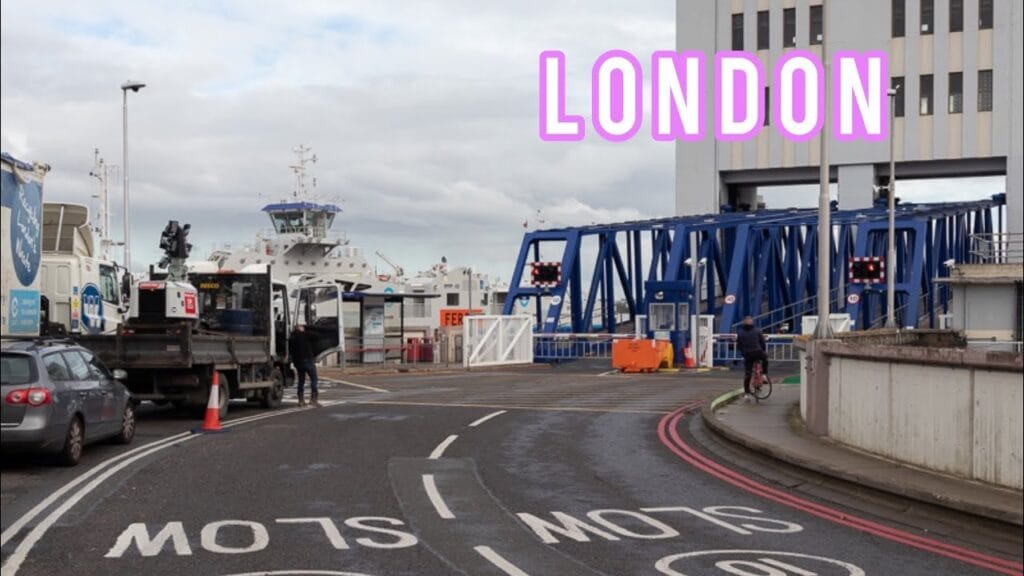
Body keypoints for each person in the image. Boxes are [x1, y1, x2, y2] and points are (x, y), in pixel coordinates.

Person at [736, 316, 768, 402]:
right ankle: (764, 375)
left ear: (743, 322)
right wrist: (763, 351)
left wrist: (743, 353)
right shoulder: (757, 330)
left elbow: (739, 345)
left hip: (747, 354)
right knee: (765, 358)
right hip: (758, 352)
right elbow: (762, 343)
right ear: (752, 322)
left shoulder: (740, 332)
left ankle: (746, 394)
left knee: (748, 374)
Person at [289, 324, 319, 407]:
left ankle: (301, 401)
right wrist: (307, 328)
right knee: (314, 379)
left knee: (301, 381)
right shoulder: (305, 334)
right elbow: (316, 336)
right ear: (300, 328)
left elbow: (291, 351)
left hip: (298, 362)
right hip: (308, 360)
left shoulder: (292, 338)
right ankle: (313, 400)